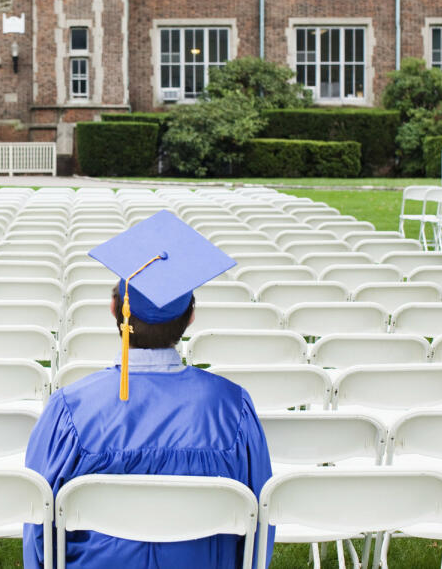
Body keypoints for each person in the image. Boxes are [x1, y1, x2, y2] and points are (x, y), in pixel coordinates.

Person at [24, 210, 273, 569]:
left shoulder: (70, 409)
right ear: (190, 317)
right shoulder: (233, 408)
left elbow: (39, 526)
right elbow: (259, 525)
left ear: (115, 310)